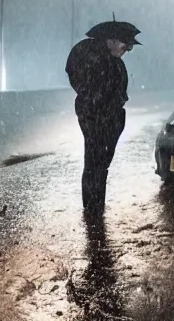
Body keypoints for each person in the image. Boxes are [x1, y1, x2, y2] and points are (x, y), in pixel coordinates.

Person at [65, 28, 140, 215]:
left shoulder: (115, 63)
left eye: (130, 47)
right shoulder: (93, 57)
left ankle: (96, 205)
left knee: (100, 163)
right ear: (112, 40)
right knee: (94, 160)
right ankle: (92, 208)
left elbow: (120, 91)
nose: (127, 50)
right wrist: (98, 100)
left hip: (108, 116)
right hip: (94, 115)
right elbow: (84, 83)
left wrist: (117, 103)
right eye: (125, 45)